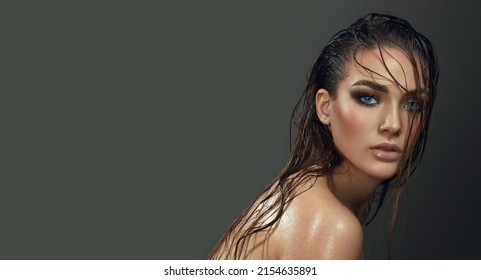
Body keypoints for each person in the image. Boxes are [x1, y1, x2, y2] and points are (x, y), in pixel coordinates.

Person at [208, 13, 439, 259]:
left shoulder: (311, 193)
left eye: (412, 104)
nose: (394, 124)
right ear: (325, 107)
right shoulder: (329, 225)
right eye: (368, 98)